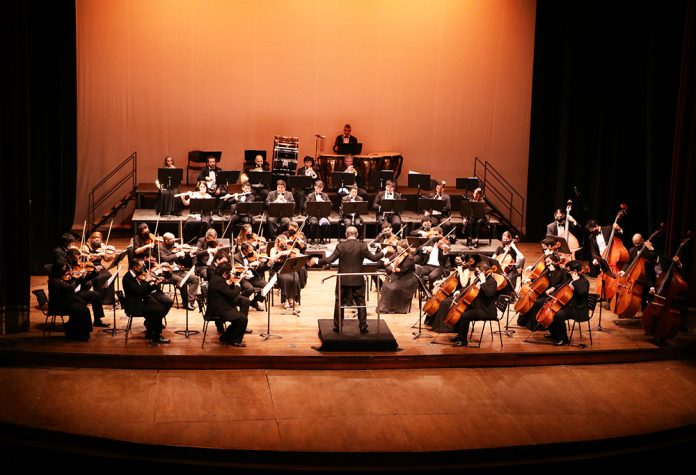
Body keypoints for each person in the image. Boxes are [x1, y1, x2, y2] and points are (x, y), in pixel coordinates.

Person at [311, 226, 384, 333]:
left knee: (339, 301)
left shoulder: (341, 246)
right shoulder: (362, 246)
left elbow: (330, 260)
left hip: (343, 279)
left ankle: (338, 327)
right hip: (358, 280)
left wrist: (317, 261)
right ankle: (363, 326)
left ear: (346, 234)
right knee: (361, 302)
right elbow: (374, 258)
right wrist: (385, 251)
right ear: (357, 234)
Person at [48, 247, 107, 339]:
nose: (67, 271)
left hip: (70, 297)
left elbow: (76, 283)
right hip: (62, 301)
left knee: (95, 295)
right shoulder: (56, 280)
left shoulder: (66, 272)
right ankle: (81, 332)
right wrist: (76, 279)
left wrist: (93, 273)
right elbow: (70, 288)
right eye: (64, 269)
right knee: (84, 309)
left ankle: (94, 322)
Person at [122, 257, 173, 344]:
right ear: (135, 267)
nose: (143, 269)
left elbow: (145, 290)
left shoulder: (135, 275)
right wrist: (146, 281)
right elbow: (139, 291)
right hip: (134, 305)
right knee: (159, 309)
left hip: (139, 301)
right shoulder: (127, 278)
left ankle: (150, 331)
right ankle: (156, 336)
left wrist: (155, 284)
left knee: (160, 306)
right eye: (141, 267)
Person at [450, 261, 499, 347]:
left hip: (486, 310)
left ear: (483, 272)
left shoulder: (492, 282)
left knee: (465, 315)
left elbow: (488, 294)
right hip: (478, 306)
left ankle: (463, 341)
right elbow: (470, 288)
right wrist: (459, 291)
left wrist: (483, 281)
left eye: (478, 272)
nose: (476, 273)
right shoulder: (478, 279)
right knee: (460, 310)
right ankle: (460, 335)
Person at [516, 253, 567, 331]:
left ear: (554, 262)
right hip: (544, 292)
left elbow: (558, 284)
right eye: (546, 262)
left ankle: (537, 325)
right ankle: (524, 321)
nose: (547, 263)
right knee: (533, 299)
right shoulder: (547, 269)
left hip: (553, 294)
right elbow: (540, 279)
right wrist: (530, 279)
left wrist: (552, 273)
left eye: (549, 262)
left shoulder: (562, 271)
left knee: (538, 302)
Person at [546, 260, 590, 346]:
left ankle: (563, 339)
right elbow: (562, 285)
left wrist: (575, 281)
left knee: (558, 315)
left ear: (575, 271)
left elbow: (582, 292)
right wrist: (553, 288)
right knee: (551, 312)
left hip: (578, 309)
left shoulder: (584, 281)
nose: (567, 272)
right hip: (569, 306)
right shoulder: (569, 279)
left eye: (569, 271)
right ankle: (554, 334)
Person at [206, 261, 250, 346]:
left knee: (240, 318)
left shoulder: (216, 277)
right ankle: (235, 341)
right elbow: (232, 294)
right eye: (229, 272)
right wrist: (237, 284)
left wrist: (230, 282)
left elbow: (225, 290)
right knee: (243, 319)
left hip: (218, 305)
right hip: (217, 310)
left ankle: (225, 337)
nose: (230, 274)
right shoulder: (218, 281)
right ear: (224, 273)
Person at [158, 232, 200, 311]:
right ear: (166, 241)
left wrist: (185, 255)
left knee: (195, 279)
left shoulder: (173, 247)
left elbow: (181, 259)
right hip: (168, 273)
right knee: (182, 282)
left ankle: (190, 302)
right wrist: (177, 254)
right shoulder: (160, 247)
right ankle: (186, 303)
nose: (174, 241)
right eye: (172, 240)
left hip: (178, 271)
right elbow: (164, 258)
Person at [617, 233, 657, 310]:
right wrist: (623, 271)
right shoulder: (632, 250)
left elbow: (654, 255)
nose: (636, 245)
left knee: (645, 301)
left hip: (648, 278)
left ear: (642, 240)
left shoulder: (648, 249)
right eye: (634, 243)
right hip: (636, 278)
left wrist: (650, 247)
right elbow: (628, 262)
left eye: (638, 243)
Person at [377, 239, 418, 314]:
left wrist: (393, 267)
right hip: (397, 275)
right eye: (398, 248)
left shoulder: (409, 258)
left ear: (405, 248)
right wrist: (387, 261)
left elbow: (402, 270)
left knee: (393, 288)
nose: (399, 250)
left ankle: (395, 308)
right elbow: (389, 259)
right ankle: (385, 306)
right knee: (385, 285)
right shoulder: (397, 254)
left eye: (400, 249)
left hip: (407, 278)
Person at [80, 231, 116, 306]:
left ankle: (108, 299)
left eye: (99, 239)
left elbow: (106, 259)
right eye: (94, 238)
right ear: (91, 239)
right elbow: (88, 258)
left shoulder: (102, 246)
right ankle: (99, 297)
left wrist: (112, 256)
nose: (96, 240)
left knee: (109, 275)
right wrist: (98, 254)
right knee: (100, 277)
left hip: (99, 266)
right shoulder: (85, 247)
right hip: (89, 266)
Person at [269, 234, 302, 310]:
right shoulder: (273, 250)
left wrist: (293, 255)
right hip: (277, 270)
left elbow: (294, 258)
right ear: (278, 243)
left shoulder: (288, 248)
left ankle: (291, 297)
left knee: (295, 277)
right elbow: (271, 261)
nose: (285, 245)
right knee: (285, 279)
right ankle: (285, 300)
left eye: (285, 243)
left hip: (288, 269)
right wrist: (280, 253)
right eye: (283, 243)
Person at [305, 180, 331, 244]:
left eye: (320, 188)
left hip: (323, 215)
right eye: (317, 188)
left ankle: (322, 239)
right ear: (314, 187)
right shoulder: (310, 195)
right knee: (314, 223)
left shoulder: (325, 196)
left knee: (324, 223)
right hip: (313, 215)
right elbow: (305, 206)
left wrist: (323, 201)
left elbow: (331, 205)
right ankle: (312, 239)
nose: (318, 190)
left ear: (322, 188)